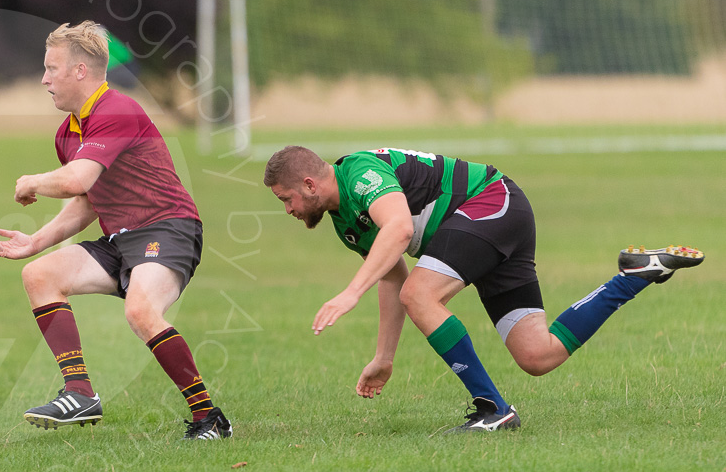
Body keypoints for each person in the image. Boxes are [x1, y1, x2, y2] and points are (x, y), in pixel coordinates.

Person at [263, 146, 704, 432]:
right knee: (538, 355)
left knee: (421, 294)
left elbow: (398, 228)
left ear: (309, 184)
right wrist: (385, 356)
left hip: (493, 204)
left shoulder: (359, 173)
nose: (288, 210)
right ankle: (631, 276)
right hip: (484, 225)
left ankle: (493, 409)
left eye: (287, 199)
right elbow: (392, 273)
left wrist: (348, 293)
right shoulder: (345, 223)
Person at [0, 21, 231, 440]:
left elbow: (77, 179)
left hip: (168, 227)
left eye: (52, 68)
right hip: (120, 238)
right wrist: (35, 243)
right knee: (39, 275)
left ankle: (209, 417)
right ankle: (79, 393)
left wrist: (33, 182)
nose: (44, 79)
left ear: (80, 71)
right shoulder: (68, 132)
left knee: (139, 311)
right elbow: (85, 202)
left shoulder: (117, 110)